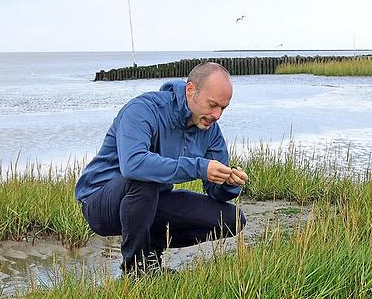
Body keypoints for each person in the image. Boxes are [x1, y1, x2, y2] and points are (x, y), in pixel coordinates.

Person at [75, 62, 248, 274]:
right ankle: (136, 270)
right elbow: (133, 165)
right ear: (191, 90)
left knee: (233, 219)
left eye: (223, 107)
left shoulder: (210, 130)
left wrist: (229, 184)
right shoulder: (143, 110)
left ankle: (152, 255)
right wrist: (199, 167)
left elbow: (215, 192)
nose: (217, 115)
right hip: (100, 203)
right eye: (212, 104)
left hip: (151, 201)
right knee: (144, 179)